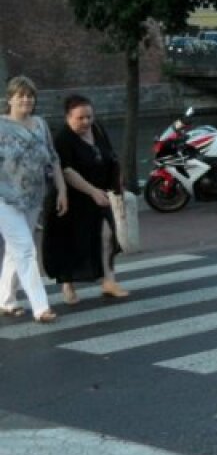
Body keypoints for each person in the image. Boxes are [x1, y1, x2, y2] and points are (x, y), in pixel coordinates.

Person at [42, 95, 130, 305]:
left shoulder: (97, 129)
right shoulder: (62, 138)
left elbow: (109, 155)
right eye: (80, 118)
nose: (86, 122)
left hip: (98, 194)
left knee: (107, 235)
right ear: (68, 118)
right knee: (71, 242)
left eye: (89, 117)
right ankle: (68, 285)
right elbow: (68, 171)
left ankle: (109, 280)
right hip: (71, 198)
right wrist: (92, 191)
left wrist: (117, 182)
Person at [0, 76, 67, 323]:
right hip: (4, 199)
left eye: (30, 96)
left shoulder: (40, 124)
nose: (27, 100)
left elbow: (53, 158)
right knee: (26, 249)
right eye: (21, 96)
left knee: (14, 250)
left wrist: (61, 190)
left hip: (33, 197)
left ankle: (5, 300)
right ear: (10, 99)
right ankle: (41, 307)